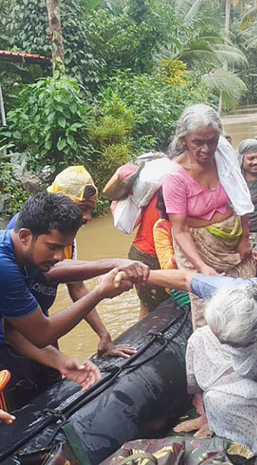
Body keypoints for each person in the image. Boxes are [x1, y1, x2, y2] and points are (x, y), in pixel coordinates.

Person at [140, 269, 257, 465]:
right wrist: (139, 274)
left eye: (230, 343)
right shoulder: (234, 293)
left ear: (254, 339)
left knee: (220, 399)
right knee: (200, 338)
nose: (221, 346)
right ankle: (206, 415)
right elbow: (186, 279)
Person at [0, 193, 138, 410]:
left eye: (63, 248)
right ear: (25, 236)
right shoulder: (5, 266)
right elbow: (41, 334)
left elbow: (12, 332)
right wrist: (101, 292)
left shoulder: (22, 253)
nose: (59, 257)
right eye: (53, 247)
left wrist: (61, 362)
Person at [6, 166, 140, 356]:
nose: (88, 218)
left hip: (42, 322)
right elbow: (52, 273)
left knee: (53, 376)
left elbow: (76, 287)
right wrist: (113, 266)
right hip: (18, 332)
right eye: (83, 208)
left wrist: (103, 335)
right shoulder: (29, 228)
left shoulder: (64, 239)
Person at [162, 104, 255, 328]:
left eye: (212, 141)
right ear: (184, 140)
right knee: (209, 313)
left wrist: (244, 239)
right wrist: (201, 266)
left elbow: (240, 196)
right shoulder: (175, 175)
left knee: (246, 304)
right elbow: (180, 230)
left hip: (232, 244)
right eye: (198, 142)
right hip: (196, 250)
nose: (206, 149)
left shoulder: (223, 155)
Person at [130, 194, 169, 319]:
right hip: (151, 256)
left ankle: (138, 338)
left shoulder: (153, 190)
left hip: (139, 252)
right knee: (160, 311)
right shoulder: (173, 188)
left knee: (147, 306)